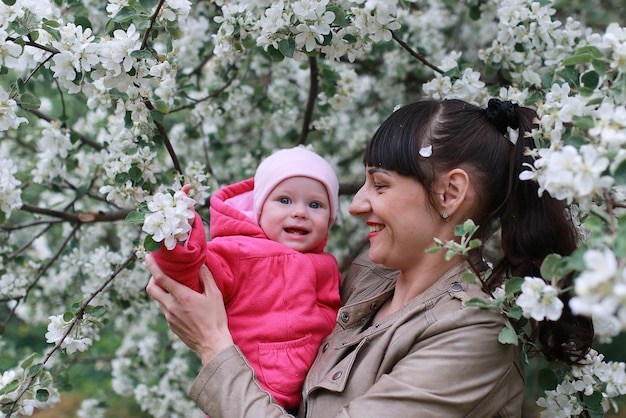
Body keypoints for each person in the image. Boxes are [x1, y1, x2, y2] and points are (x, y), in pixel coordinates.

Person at [145, 99, 594, 417]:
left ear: (450, 193)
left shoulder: (472, 334)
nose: (357, 204)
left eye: (379, 185)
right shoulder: (366, 283)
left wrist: (212, 344)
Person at [150, 146, 342, 411]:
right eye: (285, 200)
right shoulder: (239, 252)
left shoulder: (327, 266)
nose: (300, 212)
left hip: (307, 397)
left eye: (315, 204)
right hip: (250, 390)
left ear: (330, 219)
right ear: (259, 210)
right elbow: (192, 279)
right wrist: (179, 236)